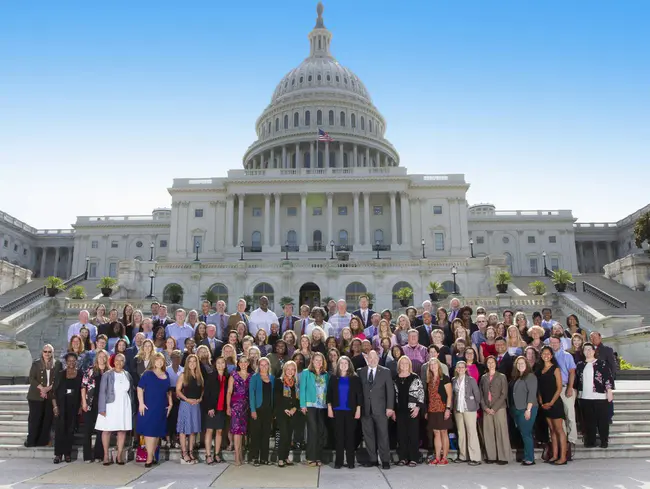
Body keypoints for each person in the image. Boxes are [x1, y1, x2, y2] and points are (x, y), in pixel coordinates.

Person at [96, 353, 135, 465]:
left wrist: (131, 407)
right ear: (113, 361)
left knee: (122, 430)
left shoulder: (127, 374)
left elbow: (130, 392)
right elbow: (102, 392)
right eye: (117, 360)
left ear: (124, 362)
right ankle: (106, 456)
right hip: (110, 405)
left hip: (124, 405)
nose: (119, 362)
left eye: (121, 360)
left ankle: (119, 456)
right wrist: (102, 408)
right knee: (107, 430)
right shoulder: (107, 374)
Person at [358, 350, 394, 469]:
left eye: (374, 358)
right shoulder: (361, 372)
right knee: (368, 436)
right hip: (366, 409)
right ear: (367, 358)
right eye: (370, 357)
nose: (372, 360)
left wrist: (390, 407)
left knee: (383, 435)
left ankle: (385, 460)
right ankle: (373, 459)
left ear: (378, 359)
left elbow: (390, 391)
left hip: (381, 409)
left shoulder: (385, 372)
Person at [137, 352, 172, 467]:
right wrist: (141, 403)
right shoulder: (148, 374)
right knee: (149, 432)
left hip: (161, 407)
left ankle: (153, 456)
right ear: (153, 361)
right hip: (149, 406)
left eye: (161, 360)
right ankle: (149, 457)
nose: (159, 362)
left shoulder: (166, 374)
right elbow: (139, 388)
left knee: (157, 432)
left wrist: (170, 403)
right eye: (157, 360)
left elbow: (168, 391)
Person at [327, 355, 362, 469]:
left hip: (351, 411)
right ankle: (339, 462)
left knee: (350, 437)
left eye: (346, 363)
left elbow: (359, 395)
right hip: (337, 411)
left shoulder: (355, 378)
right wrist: (329, 408)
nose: (343, 365)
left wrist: (358, 409)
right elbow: (329, 394)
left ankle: (351, 462)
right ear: (338, 365)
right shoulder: (333, 378)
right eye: (341, 363)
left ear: (349, 365)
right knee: (339, 437)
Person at [576, 342, 614, 448]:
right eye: (585, 350)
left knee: (602, 420)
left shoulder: (601, 363)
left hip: (600, 396)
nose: (587, 351)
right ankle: (591, 441)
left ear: (593, 351)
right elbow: (577, 381)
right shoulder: (580, 365)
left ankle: (604, 441)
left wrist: (609, 391)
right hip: (584, 397)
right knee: (588, 420)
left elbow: (607, 378)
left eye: (589, 349)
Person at [537, 345, 568, 465]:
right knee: (552, 430)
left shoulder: (556, 369)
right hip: (544, 404)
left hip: (554, 403)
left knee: (559, 430)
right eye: (543, 353)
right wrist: (541, 401)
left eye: (548, 353)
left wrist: (551, 402)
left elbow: (559, 388)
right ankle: (554, 455)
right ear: (541, 355)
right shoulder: (539, 370)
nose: (546, 355)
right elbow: (539, 389)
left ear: (551, 355)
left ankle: (563, 457)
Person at [393, 356, 424, 467]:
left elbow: (421, 393)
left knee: (413, 434)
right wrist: (393, 411)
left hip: (412, 409)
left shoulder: (415, 377)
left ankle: (413, 458)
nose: (404, 365)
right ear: (399, 365)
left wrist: (417, 407)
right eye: (402, 363)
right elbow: (393, 395)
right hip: (400, 410)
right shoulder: (395, 378)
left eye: (406, 363)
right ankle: (403, 458)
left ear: (409, 365)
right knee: (401, 435)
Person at [52, 352, 83, 464]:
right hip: (61, 405)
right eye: (69, 361)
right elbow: (54, 392)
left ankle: (67, 454)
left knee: (70, 430)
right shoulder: (60, 374)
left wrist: (80, 406)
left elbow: (82, 391)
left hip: (74, 406)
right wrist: (55, 406)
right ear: (66, 362)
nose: (71, 363)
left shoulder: (80, 374)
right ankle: (58, 455)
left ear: (76, 362)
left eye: (73, 361)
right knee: (60, 430)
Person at [26, 344, 59, 447]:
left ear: (52, 353)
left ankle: (42, 441)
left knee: (47, 419)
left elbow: (58, 379)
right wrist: (42, 388)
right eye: (45, 351)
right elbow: (32, 378)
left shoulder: (57, 364)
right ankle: (31, 440)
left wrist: (48, 389)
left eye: (49, 352)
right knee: (35, 418)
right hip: (36, 395)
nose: (47, 354)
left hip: (49, 395)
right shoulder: (36, 364)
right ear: (42, 352)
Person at [549, 335, 577, 455]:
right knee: (558, 417)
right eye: (552, 343)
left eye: (556, 343)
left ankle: (571, 441)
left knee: (569, 415)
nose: (554, 345)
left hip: (565, 388)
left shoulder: (567, 356)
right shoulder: (548, 357)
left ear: (560, 343)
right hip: (552, 390)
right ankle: (562, 441)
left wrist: (570, 387)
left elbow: (572, 372)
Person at [479, 356, 510, 464]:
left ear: (496, 364)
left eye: (492, 362)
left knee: (501, 432)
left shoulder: (502, 376)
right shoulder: (483, 377)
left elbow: (504, 393)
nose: (491, 364)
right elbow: (481, 394)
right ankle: (491, 456)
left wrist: (495, 408)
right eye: (488, 362)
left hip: (499, 408)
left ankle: (503, 457)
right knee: (488, 432)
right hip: (487, 408)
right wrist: (485, 407)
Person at [300, 351, 329, 467]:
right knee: (313, 431)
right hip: (310, 405)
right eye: (316, 360)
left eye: (320, 360)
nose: (318, 362)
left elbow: (328, 390)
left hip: (322, 406)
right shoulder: (306, 373)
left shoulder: (326, 374)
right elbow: (302, 389)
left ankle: (318, 457)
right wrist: (303, 405)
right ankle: (310, 457)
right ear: (312, 361)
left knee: (321, 431)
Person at [509, 356, 538, 466]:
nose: (520, 365)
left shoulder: (530, 377)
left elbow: (531, 394)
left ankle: (530, 458)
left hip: (527, 409)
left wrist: (528, 409)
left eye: (522, 363)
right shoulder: (517, 377)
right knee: (523, 433)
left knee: (526, 434)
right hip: (517, 408)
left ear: (527, 365)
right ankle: (526, 456)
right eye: (518, 363)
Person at [81, 349, 109, 462]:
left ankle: (99, 455)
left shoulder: (109, 372)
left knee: (101, 431)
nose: (102, 358)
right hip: (90, 403)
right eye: (100, 356)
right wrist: (83, 401)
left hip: (104, 405)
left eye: (104, 356)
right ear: (97, 358)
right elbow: (83, 387)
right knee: (87, 430)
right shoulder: (90, 370)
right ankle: (87, 456)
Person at [452, 361, 482, 466]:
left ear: (465, 369)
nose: (460, 369)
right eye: (458, 367)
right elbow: (453, 396)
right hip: (458, 410)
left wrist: (476, 407)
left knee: (471, 432)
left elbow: (477, 394)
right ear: (456, 369)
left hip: (470, 409)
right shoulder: (454, 380)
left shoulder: (471, 380)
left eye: (462, 367)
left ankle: (475, 457)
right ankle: (463, 456)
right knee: (461, 433)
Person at [246, 357, 275, 465]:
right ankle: (254, 457)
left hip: (268, 410)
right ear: (258, 366)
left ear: (268, 366)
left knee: (266, 434)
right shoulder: (254, 378)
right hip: (257, 409)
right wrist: (253, 410)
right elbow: (251, 395)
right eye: (261, 365)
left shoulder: (272, 378)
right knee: (256, 434)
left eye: (265, 365)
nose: (263, 367)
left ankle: (264, 458)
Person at [423, 358, 452, 465]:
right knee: (436, 433)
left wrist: (448, 409)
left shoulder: (445, 378)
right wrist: (426, 411)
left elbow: (449, 396)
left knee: (444, 432)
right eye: (431, 364)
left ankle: (444, 457)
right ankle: (437, 457)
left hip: (442, 408)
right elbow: (427, 397)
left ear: (439, 365)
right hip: (432, 409)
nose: (433, 366)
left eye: (435, 364)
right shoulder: (429, 380)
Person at [176, 353, 203, 464]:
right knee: (183, 430)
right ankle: (184, 453)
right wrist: (187, 399)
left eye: (194, 361)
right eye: (190, 361)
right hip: (186, 404)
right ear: (187, 363)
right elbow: (177, 391)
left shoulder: (199, 376)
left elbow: (202, 390)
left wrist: (200, 399)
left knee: (193, 430)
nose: (192, 363)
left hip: (196, 405)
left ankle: (191, 452)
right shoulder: (183, 375)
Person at [275, 360, 300, 467]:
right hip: (282, 412)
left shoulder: (296, 384)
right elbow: (277, 398)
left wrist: (294, 408)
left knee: (289, 436)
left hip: (293, 413)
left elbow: (298, 399)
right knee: (284, 435)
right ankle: (280, 458)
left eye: (292, 369)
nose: (290, 371)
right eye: (288, 369)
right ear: (284, 370)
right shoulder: (279, 382)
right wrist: (284, 409)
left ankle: (286, 457)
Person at [227, 355, 252, 466]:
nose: (243, 364)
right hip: (236, 406)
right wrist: (228, 406)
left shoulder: (251, 376)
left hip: (247, 406)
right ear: (238, 363)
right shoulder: (233, 375)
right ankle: (237, 456)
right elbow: (229, 392)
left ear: (248, 363)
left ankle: (241, 455)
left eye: (245, 362)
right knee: (237, 431)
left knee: (243, 431)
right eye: (241, 362)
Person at [205, 356, 229, 463]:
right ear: (215, 364)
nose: (220, 365)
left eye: (222, 363)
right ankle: (208, 455)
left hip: (222, 408)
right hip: (212, 408)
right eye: (218, 363)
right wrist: (209, 407)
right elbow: (206, 393)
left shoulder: (227, 377)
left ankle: (216, 454)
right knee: (209, 431)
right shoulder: (210, 376)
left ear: (225, 365)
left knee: (219, 431)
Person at [165, 350, 183, 449]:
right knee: (169, 418)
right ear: (171, 359)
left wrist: (179, 393)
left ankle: (176, 439)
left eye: (178, 357)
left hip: (180, 395)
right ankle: (168, 440)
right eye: (174, 357)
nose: (176, 359)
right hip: (169, 395)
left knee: (177, 418)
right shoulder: (167, 370)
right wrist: (171, 394)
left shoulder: (183, 369)